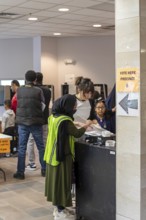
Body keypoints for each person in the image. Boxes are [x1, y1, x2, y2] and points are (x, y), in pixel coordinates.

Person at [44, 94, 90, 220]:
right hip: (62, 156)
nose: (74, 107)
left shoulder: (53, 117)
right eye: (73, 105)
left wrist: (74, 122)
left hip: (51, 155)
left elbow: (64, 127)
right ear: (67, 106)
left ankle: (58, 208)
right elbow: (76, 133)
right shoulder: (65, 121)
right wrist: (86, 125)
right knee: (63, 183)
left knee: (55, 183)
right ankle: (60, 212)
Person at [13, 70, 46, 180]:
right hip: (36, 122)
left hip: (22, 123)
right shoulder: (38, 90)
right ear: (35, 79)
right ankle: (44, 170)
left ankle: (20, 172)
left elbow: (18, 103)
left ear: (25, 78)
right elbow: (43, 105)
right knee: (41, 147)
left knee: (22, 147)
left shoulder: (19, 90)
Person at [26, 72, 51, 171]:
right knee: (44, 141)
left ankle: (32, 163)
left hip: (34, 120)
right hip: (45, 119)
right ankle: (45, 163)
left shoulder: (34, 90)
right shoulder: (48, 90)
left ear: (35, 79)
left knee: (31, 140)